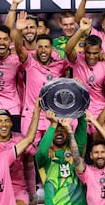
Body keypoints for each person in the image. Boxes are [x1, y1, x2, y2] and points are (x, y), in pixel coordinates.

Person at [13, 11, 69, 143]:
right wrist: (18, 31)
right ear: (36, 49)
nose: (43, 50)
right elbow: (19, 49)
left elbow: (74, 61)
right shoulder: (29, 63)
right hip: (31, 115)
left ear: (52, 49)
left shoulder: (60, 64)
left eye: (47, 47)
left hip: (52, 115)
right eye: (40, 47)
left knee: (51, 149)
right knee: (28, 153)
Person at [65, 17, 105, 132]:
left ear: (101, 51)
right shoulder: (77, 60)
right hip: (79, 109)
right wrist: (81, 30)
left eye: (95, 53)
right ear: (83, 50)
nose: (91, 56)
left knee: (101, 138)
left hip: (99, 109)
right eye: (88, 53)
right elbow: (68, 49)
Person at [67, 109, 105, 205]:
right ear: (91, 156)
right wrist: (69, 132)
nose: (100, 155)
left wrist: (95, 122)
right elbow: (76, 157)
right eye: (96, 152)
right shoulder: (87, 172)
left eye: (102, 152)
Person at [35, 110, 87, 205]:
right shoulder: (45, 157)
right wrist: (53, 124)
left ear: (67, 131)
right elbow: (42, 152)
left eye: (62, 129)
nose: (59, 132)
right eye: (56, 130)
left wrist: (76, 107)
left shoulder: (75, 151)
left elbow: (83, 125)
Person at [0, 25, 22, 132]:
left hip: (12, 106)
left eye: (5, 39)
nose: (2, 42)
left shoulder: (17, 60)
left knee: (15, 138)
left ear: (10, 41)